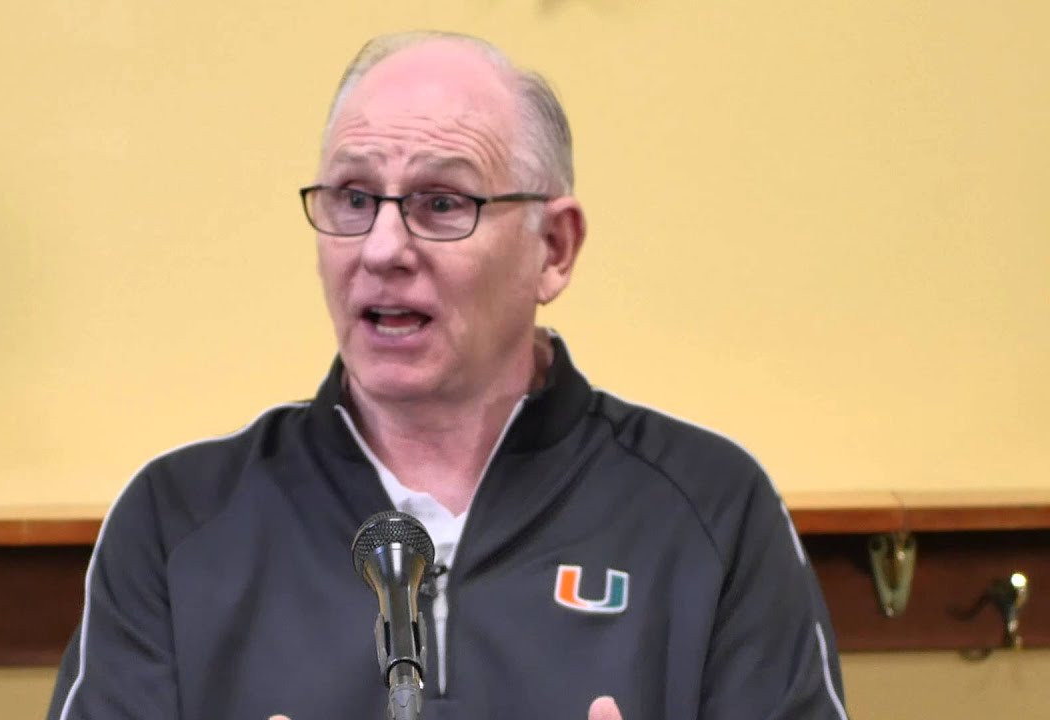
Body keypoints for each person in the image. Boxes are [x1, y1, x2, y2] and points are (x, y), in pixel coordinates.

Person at [47, 31, 848, 720]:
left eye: (440, 204)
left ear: (555, 248)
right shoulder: (178, 523)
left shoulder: (711, 511)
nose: (382, 248)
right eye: (354, 197)